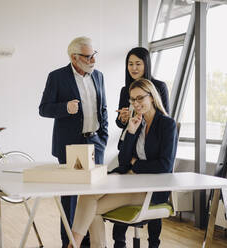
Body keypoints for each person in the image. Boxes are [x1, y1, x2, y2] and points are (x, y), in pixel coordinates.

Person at [68, 78, 177, 248]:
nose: (136, 103)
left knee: (92, 209)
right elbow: (124, 160)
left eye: (140, 98)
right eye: (133, 99)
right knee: (88, 197)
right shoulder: (137, 123)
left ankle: (73, 245)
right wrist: (131, 132)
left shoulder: (167, 124)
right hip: (128, 180)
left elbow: (165, 165)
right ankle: (75, 245)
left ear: (152, 97)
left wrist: (135, 164)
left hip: (149, 188)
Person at [39, 36, 108, 248]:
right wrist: (64, 108)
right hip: (70, 145)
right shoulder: (57, 77)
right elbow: (43, 109)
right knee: (69, 197)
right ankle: (68, 242)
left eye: (94, 54)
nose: (92, 60)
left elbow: (103, 108)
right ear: (74, 58)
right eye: (88, 56)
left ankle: (89, 241)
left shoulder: (99, 76)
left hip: (94, 142)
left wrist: (103, 137)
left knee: (93, 195)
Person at [114, 47, 170, 248]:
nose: (134, 67)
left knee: (151, 188)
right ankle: (118, 241)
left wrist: (135, 163)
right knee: (120, 177)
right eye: (130, 64)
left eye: (138, 63)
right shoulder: (125, 89)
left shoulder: (159, 86)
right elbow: (121, 123)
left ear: (146, 64)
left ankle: (153, 242)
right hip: (132, 140)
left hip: (152, 147)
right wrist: (123, 120)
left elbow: (164, 118)